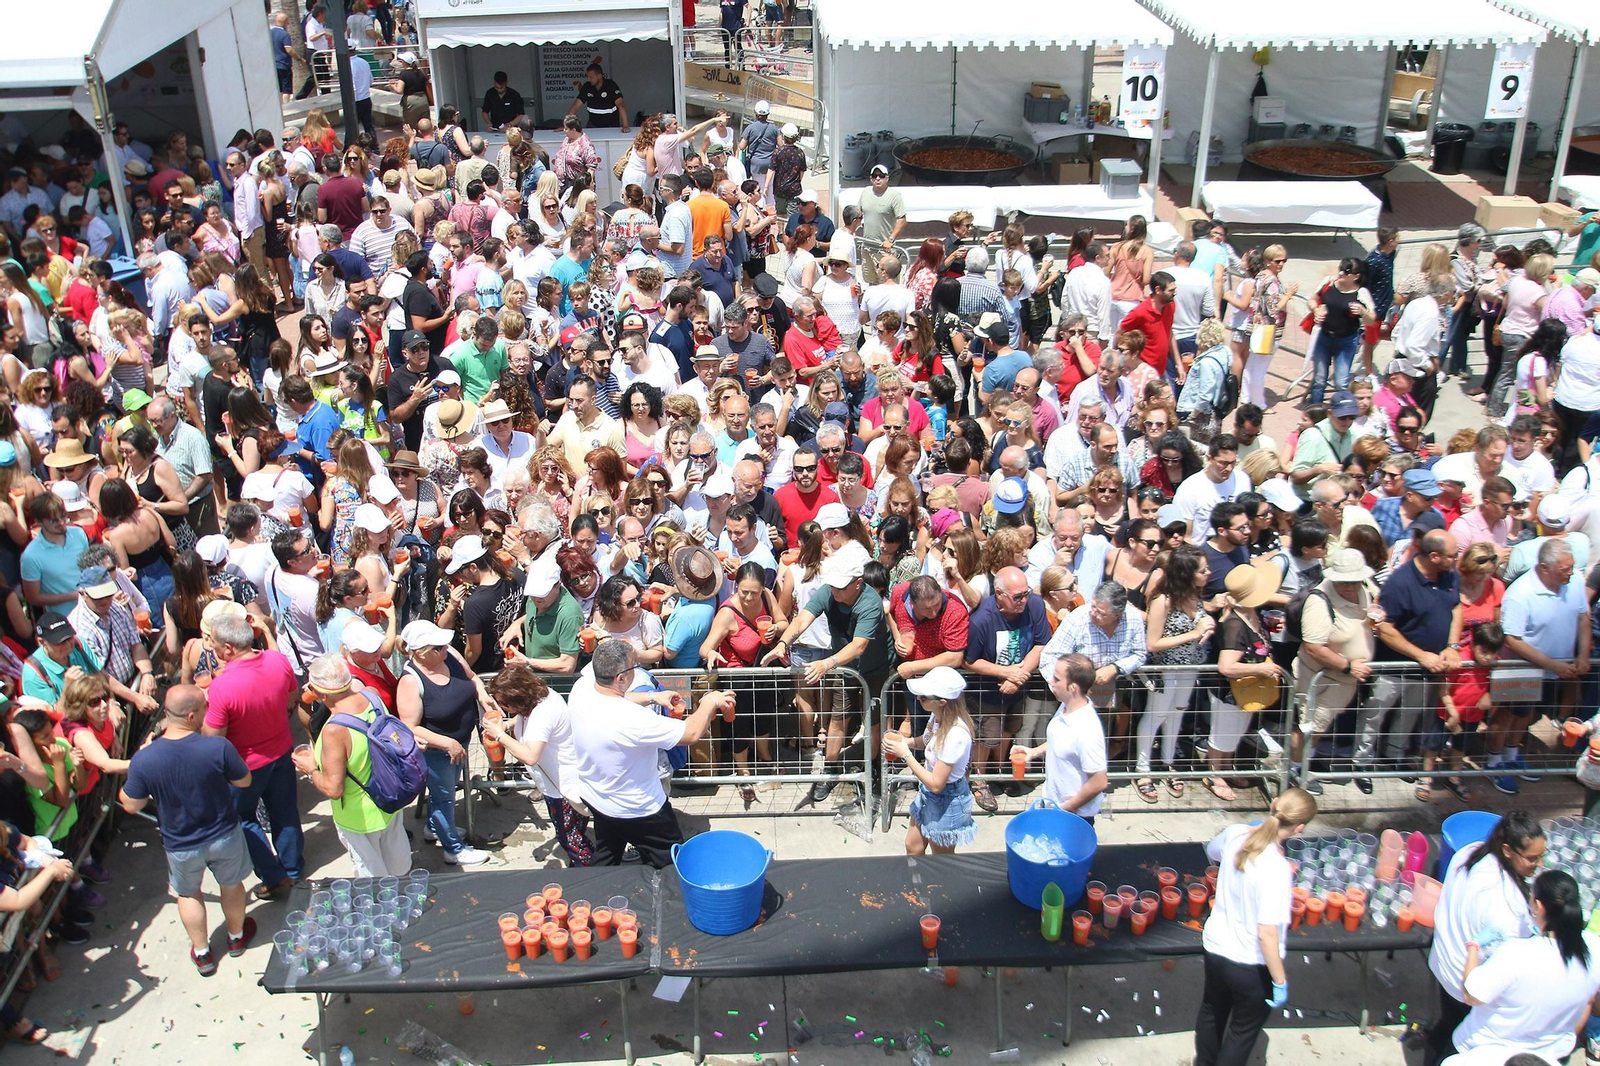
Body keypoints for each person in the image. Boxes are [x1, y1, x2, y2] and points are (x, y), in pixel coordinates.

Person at [119, 685, 258, 977]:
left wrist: (140, 768)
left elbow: (131, 804)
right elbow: (244, 781)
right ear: (192, 716)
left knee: (188, 894)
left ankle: (203, 952)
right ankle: (235, 937)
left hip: (181, 843)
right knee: (231, 885)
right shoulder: (217, 747)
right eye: (205, 708)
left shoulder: (145, 759)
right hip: (223, 834)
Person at [569, 639, 727, 866]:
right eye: (635, 667)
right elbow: (691, 733)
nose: (637, 670)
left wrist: (652, 696)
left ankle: (596, 887)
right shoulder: (634, 719)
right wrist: (710, 702)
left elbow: (614, 695)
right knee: (672, 862)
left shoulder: (581, 689)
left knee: (606, 856)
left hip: (598, 797)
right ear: (621, 678)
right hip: (639, 809)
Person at [1192, 789, 1319, 1066]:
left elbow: (1212, 851)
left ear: (1273, 805)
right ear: (1299, 828)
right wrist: (1280, 981)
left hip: (1216, 948)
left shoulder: (1236, 833)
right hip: (1250, 965)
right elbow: (1267, 934)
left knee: (1212, 1010)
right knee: (1242, 1032)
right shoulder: (1277, 869)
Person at [1424, 812, 1546, 1066]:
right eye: (1532, 859)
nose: (1539, 865)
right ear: (1508, 850)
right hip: (1465, 983)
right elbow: (1502, 969)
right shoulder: (1507, 911)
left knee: (1446, 1024)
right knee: (1460, 1044)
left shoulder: (1468, 853)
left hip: (1444, 961)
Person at [201, 613, 303, 901]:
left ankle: (274, 876)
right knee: (284, 812)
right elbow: (291, 697)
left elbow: (213, 738)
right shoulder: (277, 661)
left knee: (241, 818)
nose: (211, 648)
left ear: (228, 648)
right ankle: (293, 869)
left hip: (244, 767)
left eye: (214, 643)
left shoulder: (222, 686)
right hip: (281, 752)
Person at [291, 654, 412, 877]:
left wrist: (310, 769)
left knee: (374, 883)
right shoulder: (373, 696)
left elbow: (333, 789)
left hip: (359, 818)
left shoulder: (334, 731)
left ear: (321, 693)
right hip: (390, 799)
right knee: (399, 872)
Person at [395, 620, 499, 866]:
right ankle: (453, 850)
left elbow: (472, 677)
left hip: (460, 742)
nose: (446, 648)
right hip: (437, 753)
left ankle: (434, 827)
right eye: (438, 647)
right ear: (421, 653)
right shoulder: (410, 682)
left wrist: (483, 697)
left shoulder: (449, 654)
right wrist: (447, 743)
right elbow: (410, 726)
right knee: (444, 798)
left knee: (445, 791)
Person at [481, 662, 593, 866]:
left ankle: (589, 869)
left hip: (564, 788)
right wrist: (507, 724)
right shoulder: (539, 697)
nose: (502, 707)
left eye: (504, 703)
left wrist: (498, 735)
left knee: (570, 839)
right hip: (558, 784)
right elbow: (523, 718)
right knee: (572, 831)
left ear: (518, 699)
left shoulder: (543, 714)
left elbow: (531, 756)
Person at [882, 666, 976, 853]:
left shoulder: (955, 736)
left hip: (947, 800)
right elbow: (925, 741)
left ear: (942, 702)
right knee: (912, 845)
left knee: (941, 859)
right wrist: (904, 742)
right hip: (927, 793)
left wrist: (905, 754)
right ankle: (916, 873)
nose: (918, 698)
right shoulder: (938, 716)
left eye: (924, 697)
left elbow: (936, 784)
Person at [1010, 653, 1107, 821]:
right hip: (1053, 804)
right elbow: (1060, 740)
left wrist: (1067, 808)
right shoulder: (1066, 706)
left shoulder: (1087, 730)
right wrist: (1033, 752)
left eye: (1056, 679)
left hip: (1073, 816)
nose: (1051, 682)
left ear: (1072, 687)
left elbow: (1099, 782)